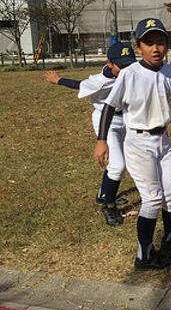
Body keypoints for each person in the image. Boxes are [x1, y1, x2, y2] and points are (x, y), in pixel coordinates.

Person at [93, 18, 171, 270]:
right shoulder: (129, 75)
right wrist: (102, 140)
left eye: (160, 42)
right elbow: (109, 106)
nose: (156, 48)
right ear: (139, 47)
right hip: (138, 142)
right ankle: (144, 255)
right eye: (149, 43)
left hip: (163, 140)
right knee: (152, 198)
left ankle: (170, 240)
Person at [43, 41, 136, 227]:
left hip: (126, 118)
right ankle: (108, 206)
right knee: (118, 165)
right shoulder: (99, 81)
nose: (126, 69)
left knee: (122, 161)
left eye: (129, 64)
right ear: (109, 63)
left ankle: (104, 194)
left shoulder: (131, 73)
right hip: (106, 121)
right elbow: (79, 85)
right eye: (121, 65)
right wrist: (58, 80)